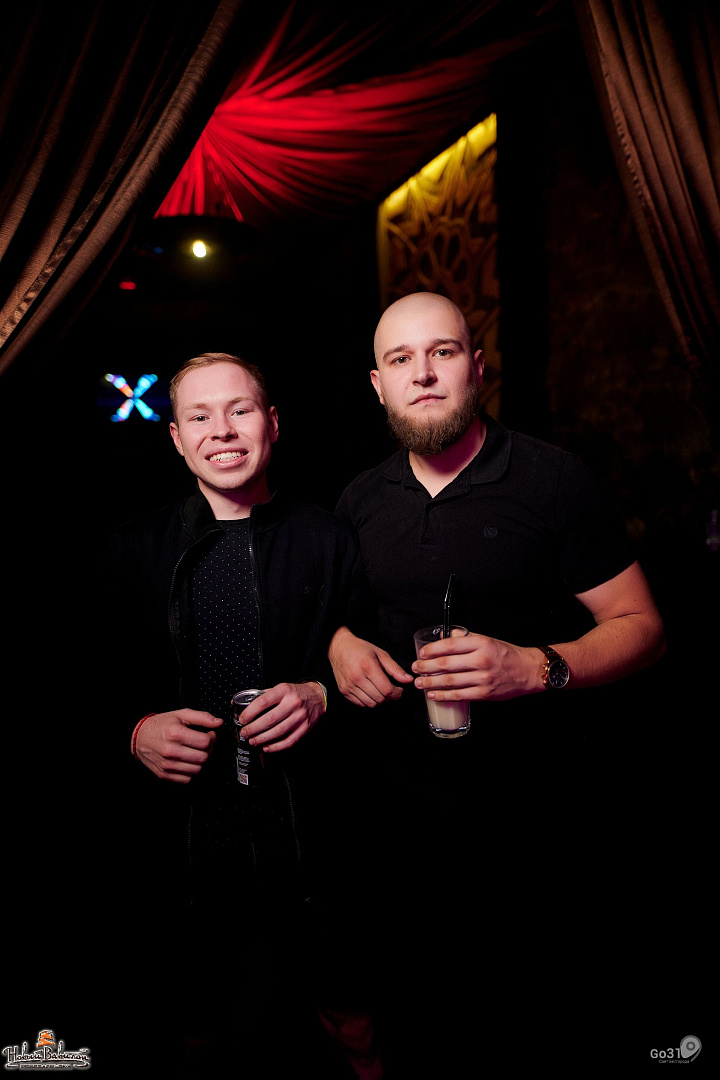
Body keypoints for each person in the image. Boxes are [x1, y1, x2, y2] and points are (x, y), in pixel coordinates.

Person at [328, 292, 666, 1072]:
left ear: (477, 369)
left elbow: (644, 627)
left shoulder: (554, 481)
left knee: (528, 1026)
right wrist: (340, 643)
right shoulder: (358, 500)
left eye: (442, 353)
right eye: (401, 360)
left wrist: (535, 666)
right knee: (422, 1023)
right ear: (378, 384)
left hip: (534, 819)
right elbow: (338, 623)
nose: (422, 374)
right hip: (400, 820)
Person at [106, 353, 371, 1078]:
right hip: (187, 841)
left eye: (240, 410)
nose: (221, 430)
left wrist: (321, 693)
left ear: (272, 424)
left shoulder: (330, 538)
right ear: (177, 438)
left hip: (311, 834)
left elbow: (379, 673)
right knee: (197, 1022)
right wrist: (134, 731)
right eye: (199, 416)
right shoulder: (131, 548)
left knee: (351, 1016)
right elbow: (83, 683)